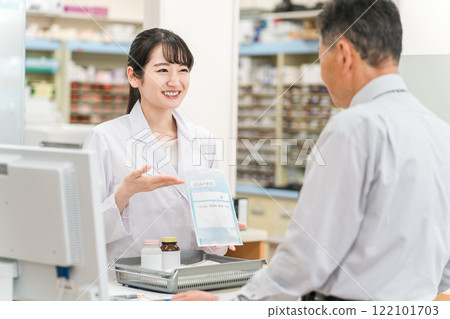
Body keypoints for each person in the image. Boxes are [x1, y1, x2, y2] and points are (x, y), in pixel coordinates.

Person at [173, 0, 450, 301]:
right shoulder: (440, 131)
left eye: (321, 59)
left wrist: (233, 306)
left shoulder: (353, 128)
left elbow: (305, 259)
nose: (321, 73)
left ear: (343, 54)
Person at [84, 28, 232, 269]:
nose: (175, 81)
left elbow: (214, 240)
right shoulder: (105, 138)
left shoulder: (203, 139)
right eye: (163, 70)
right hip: (128, 282)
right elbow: (84, 229)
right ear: (134, 76)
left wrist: (222, 231)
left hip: (189, 278)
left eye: (183, 70)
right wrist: (125, 193)